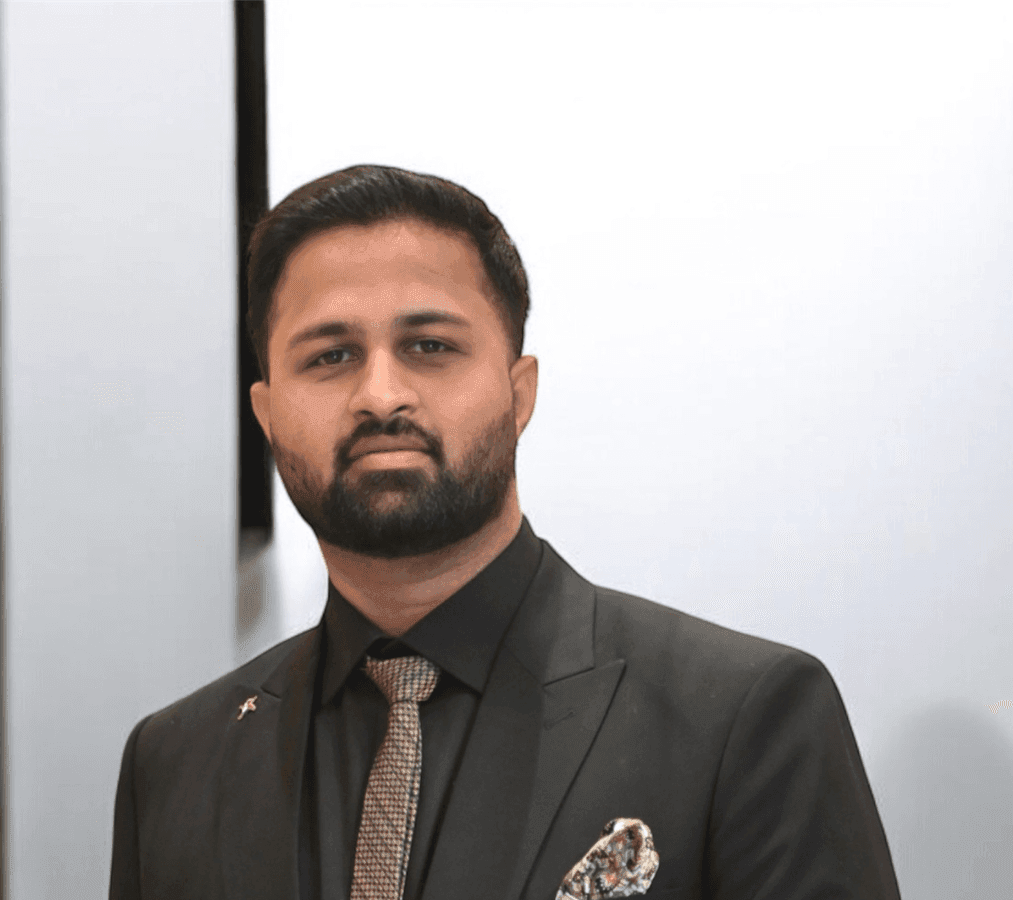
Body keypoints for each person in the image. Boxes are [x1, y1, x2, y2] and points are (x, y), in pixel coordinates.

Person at [109, 165, 901, 900]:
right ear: (268, 414)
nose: (381, 394)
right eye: (332, 355)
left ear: (519, 393)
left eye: (430, 347)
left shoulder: (740, 719)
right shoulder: (173, 763)